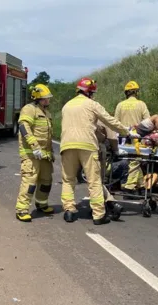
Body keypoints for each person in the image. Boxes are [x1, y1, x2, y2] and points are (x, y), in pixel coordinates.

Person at [60, 78, 132, 225]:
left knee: (68, 179)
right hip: (87, 145)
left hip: (67, 145)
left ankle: (69, 210)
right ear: (90, 92)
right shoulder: (92, 104)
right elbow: (109, 120)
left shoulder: (66, 106)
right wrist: (126, 132)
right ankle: (99, 214)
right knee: (94, 181)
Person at [15, 84, 55, 222]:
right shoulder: (29, 109)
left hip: (45, 154)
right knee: (30, 181)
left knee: (46, 180)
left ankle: (41, 203)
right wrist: (34, 146)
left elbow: (48, 136)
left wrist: (51, 152)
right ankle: (22, 209)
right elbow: (23, 127)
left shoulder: (46, 113)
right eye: (45, 98)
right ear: (38, 98)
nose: (47, 101)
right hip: (31, 154)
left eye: (48, 98)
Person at [114, 81, 149, 195]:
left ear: (126, 93)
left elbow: (115, 122)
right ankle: (129, 187)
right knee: (135, 160)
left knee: (134, 161)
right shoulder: (141, 104)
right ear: (137, 92)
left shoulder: (120, 105)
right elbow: (147, 122)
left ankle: (142, 186)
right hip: (136, 139)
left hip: (123, 139)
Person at [95, 121, 128, 221]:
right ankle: (110, 203)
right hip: (99, 153)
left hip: (76, 149)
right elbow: (113, 138)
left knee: (93, 182)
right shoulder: (104, 120)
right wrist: (116, 150)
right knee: (95, 181)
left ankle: (108, 204)